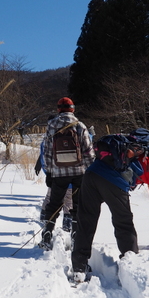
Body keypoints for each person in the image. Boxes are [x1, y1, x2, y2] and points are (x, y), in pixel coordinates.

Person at [70, 134, 143, 283]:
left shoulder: (115, 144)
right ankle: (130, 260)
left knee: (85, 220)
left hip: (91, 175)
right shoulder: (139, 150)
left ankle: (79, 267)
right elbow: (138, 172)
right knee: (123, 221)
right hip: (113, 181)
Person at [38, 97, 94, 250]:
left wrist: (49, 172)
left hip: (58, 173)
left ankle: (47, 233)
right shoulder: (80, 126)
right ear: (73, 109)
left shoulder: (52, 125)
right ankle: (75, 235)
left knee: (54, 204)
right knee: (77, 205)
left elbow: (47, 152)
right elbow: (88, 152)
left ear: (58, 109)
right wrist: (90, 171)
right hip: (79, 173)